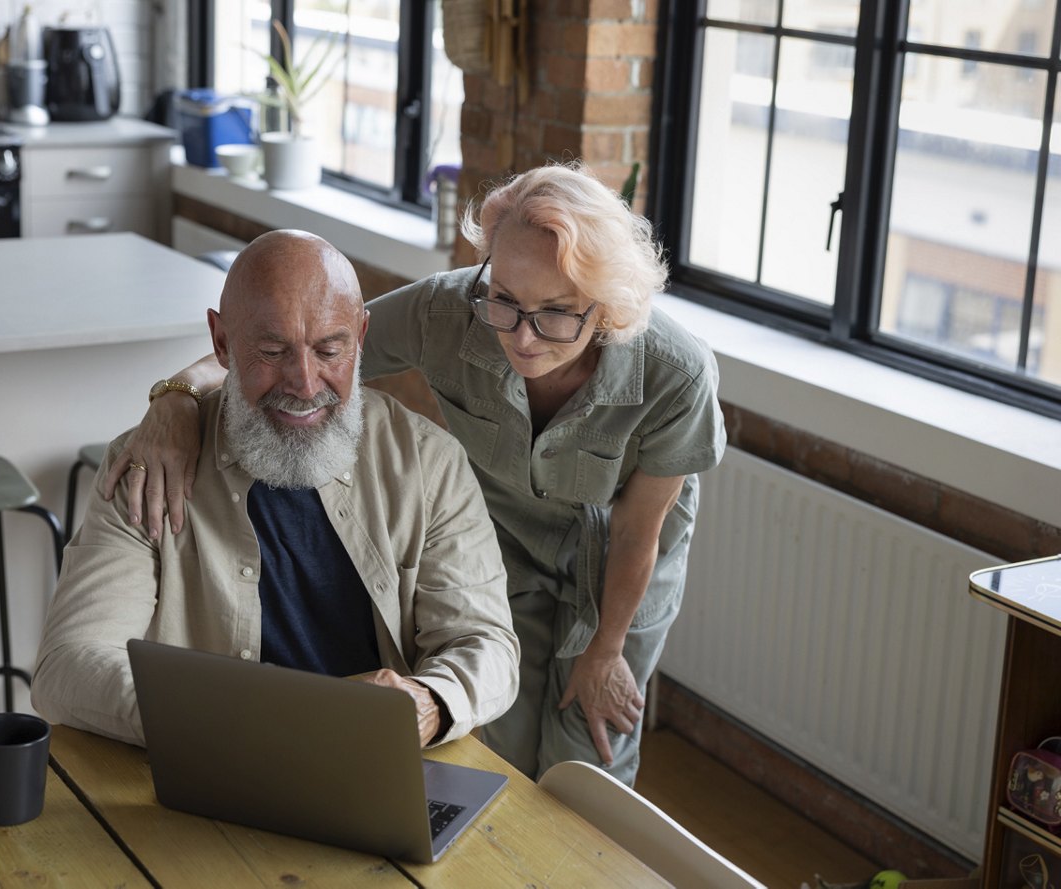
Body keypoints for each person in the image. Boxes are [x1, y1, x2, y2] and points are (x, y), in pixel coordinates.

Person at [110, 162, 726, 783]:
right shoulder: (448, 312)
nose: (524, 337)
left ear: (607, 305)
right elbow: (308, 351)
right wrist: (177, 396)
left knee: (588, 760)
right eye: (505, 300)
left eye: (556, 313)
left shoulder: (677, 374)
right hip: (511, 542)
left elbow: (638, 531)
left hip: (624, 569)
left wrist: (607, 651)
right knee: (502, 746)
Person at [32, 230, 520, 749]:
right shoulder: (151, 465)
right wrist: (248, 723)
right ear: (221, 343)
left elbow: (484, 641)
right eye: (271, 351)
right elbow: (69, 666)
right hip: (214, 764)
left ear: (361, 337)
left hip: (377, 763)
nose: (305, 384)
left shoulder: (429, 463)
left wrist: (429, 701)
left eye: (330, 350)